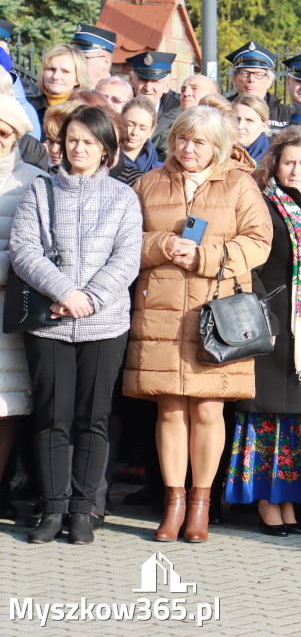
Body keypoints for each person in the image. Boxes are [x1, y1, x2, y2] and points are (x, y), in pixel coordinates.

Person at [122, 106, 273, 544]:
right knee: (169, 409)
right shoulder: (147, 184)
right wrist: (160, 244)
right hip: (162, 314)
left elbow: (259, 242)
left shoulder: (240, 185)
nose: (189, 149)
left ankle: (201, 503)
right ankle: (173, 502)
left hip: (218, 314)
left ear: (217, 146)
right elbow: (124, 241)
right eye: (183, 139)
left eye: (200, 142)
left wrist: (206, 257)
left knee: (208, 409)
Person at [10, 105, 142, 544]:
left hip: (104, 326)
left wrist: (89, 298)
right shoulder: (40, 190)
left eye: (88, 141)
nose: (78, 148)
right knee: (52, 417)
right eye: (71, 141)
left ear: (106, 149)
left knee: (94, 417)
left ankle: (84, 510)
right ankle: (51, 508)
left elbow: (126, 258)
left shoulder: (123, 198)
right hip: (50, 323)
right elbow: (24, 250)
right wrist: (65, 293)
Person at [224, 126, 301, 536]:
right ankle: (266, 504)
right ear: (275, 164)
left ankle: (290, 501)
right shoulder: (263, 206)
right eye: (289, 161)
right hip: (273, 324)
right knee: (270, 417)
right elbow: (248, 267)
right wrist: (262, 319)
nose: (295, 169)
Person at [0, 94, 42, 521]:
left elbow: (32, 246)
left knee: (7, 404)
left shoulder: (32, 180)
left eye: (3, 132)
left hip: (8, 309)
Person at [225, 41, 290, 134]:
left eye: (258, 74)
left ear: (269, 81)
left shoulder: (285, 115)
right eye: (245, 73)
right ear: (234, 78)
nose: (251, 79)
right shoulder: (222, 109)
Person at [27, 44, 91, 124]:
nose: (56, 76)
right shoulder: (27, 108)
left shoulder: (85, 112)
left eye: (65, 71)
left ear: (77, 79)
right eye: (51, 69)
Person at [126, 52, 180, 142]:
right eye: (142, 80)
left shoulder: (177, 114)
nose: (147, 88)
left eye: (155, 81)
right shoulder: (118, 105)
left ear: (167, 85)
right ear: (131, 80)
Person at [120, 97, 160, 173]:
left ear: (151, 131)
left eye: (142, 128)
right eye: (130, 125)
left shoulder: (159, 169)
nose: (135, 132)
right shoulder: (103, 159)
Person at [234, 95, 270, 164]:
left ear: (264, 126)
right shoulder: (217, 154)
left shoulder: (272, 162)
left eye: (249, 120)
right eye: (237, 119)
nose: (240, 126)